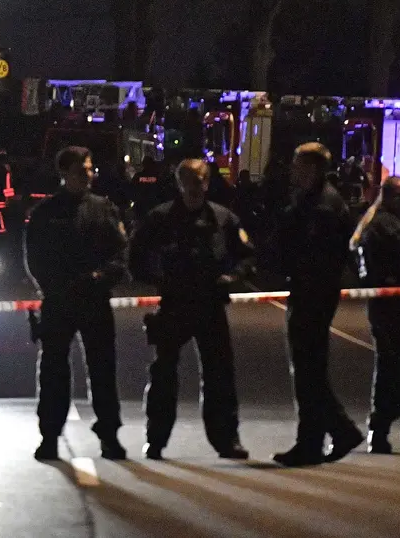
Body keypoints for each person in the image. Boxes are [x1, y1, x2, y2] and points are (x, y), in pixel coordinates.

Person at [129, 159, 252, 460]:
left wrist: (232, 277)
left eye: (199, 181)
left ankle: (226, 440)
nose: (194, 187)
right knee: (163, 374)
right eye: (188, 181)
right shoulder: (160, 219)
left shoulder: (224, 219)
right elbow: (136, 257)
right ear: (179, 183)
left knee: (220, 376)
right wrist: (159, 279)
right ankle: (156, 439)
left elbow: (246, 257)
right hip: (174, 304)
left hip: (211, 304)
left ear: (207, 183)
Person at [24, 146, 128, 461]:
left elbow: (120, 254)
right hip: (59, 301)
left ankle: (109, 436)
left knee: (103, 371)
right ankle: (50, 437)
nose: (89, 175)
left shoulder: (103, 209)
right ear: (65, 174)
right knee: (54, 372)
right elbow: (35, 259)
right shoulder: (45, 213)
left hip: (95, 300)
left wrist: (103, 277)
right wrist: (53, 289)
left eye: (90, 169)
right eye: (82, 170)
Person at [269, 142, 365, 466]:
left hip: (312, 293)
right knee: (310, 370)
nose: (293, 170)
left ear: (311, 168)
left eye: (298, 165)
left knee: (308, 369)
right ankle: (330, 434)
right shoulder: (319, 201)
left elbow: (312, 255)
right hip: (313, 292)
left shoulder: (322, 207)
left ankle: (319, 438)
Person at [351, 176, 400, 454]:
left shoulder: (374, 222)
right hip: (391, 306)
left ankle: (388, 432)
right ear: (389, 196)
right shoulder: (385, 225)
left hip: (392, 305)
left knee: (395, 369)